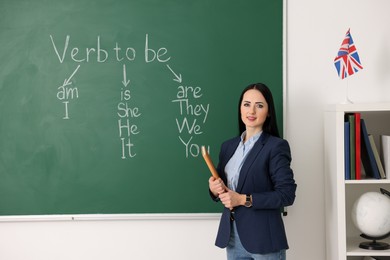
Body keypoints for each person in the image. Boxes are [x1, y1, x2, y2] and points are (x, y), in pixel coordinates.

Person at [208, 83, 297, 260]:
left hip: (264, 241)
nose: (252, 111)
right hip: (233, 237)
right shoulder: (228, 147)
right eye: (247, 104)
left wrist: (242, 199)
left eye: (260, 105)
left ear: (269, 112)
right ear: (240, 108)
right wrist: (213, 188)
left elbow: (287, 195)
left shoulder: (276, 146)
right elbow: (223, 187)